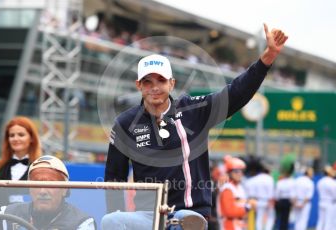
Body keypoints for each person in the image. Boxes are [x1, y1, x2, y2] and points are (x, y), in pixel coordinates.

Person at [102, 23, 288, 230]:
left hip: (189, 212)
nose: (154, 87)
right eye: (147, 82)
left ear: (171, 84)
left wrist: (268, 57)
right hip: (148, 215)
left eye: (161, 80)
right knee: (110, 221)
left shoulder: (194, 110)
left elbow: (236, 92)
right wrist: (117, 212)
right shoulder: (125, 124)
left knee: (182, 223)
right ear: (139, 85)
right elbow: (114, 178)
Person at [0, 155, 96, 229]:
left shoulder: (82, 223)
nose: (43, 191)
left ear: (65, 189)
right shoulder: (6, 214)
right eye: (36, 184)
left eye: (51, 184)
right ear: (29, 188)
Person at [0, 116, 42, 212]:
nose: (15, 138)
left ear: (31, 138)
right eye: (12, 135)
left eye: (21, 134)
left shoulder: (41, 167)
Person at [217, 156, 256, 230]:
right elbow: (229, 212)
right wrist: (248, 206)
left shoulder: (239, 187)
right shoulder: (227, 189)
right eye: (236, 171)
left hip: (240, 224)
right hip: (229, 225)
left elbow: (242, 203)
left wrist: (250, 203)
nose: (239, 173)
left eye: (241, 171)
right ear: (229, 172)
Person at [244, 157, 275, 230]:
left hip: (256, 201)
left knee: (259, 218)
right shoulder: (269, 178)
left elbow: (248, 188)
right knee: (270, 218)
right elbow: (271, 192)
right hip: (267, 201)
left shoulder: (254, 179)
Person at [316, 165, 336, 230]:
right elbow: (335, 195)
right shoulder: (332, 182)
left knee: (321, 221)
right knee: (329, 222)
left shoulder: (320, 181)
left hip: (321, 202)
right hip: (330, 203)